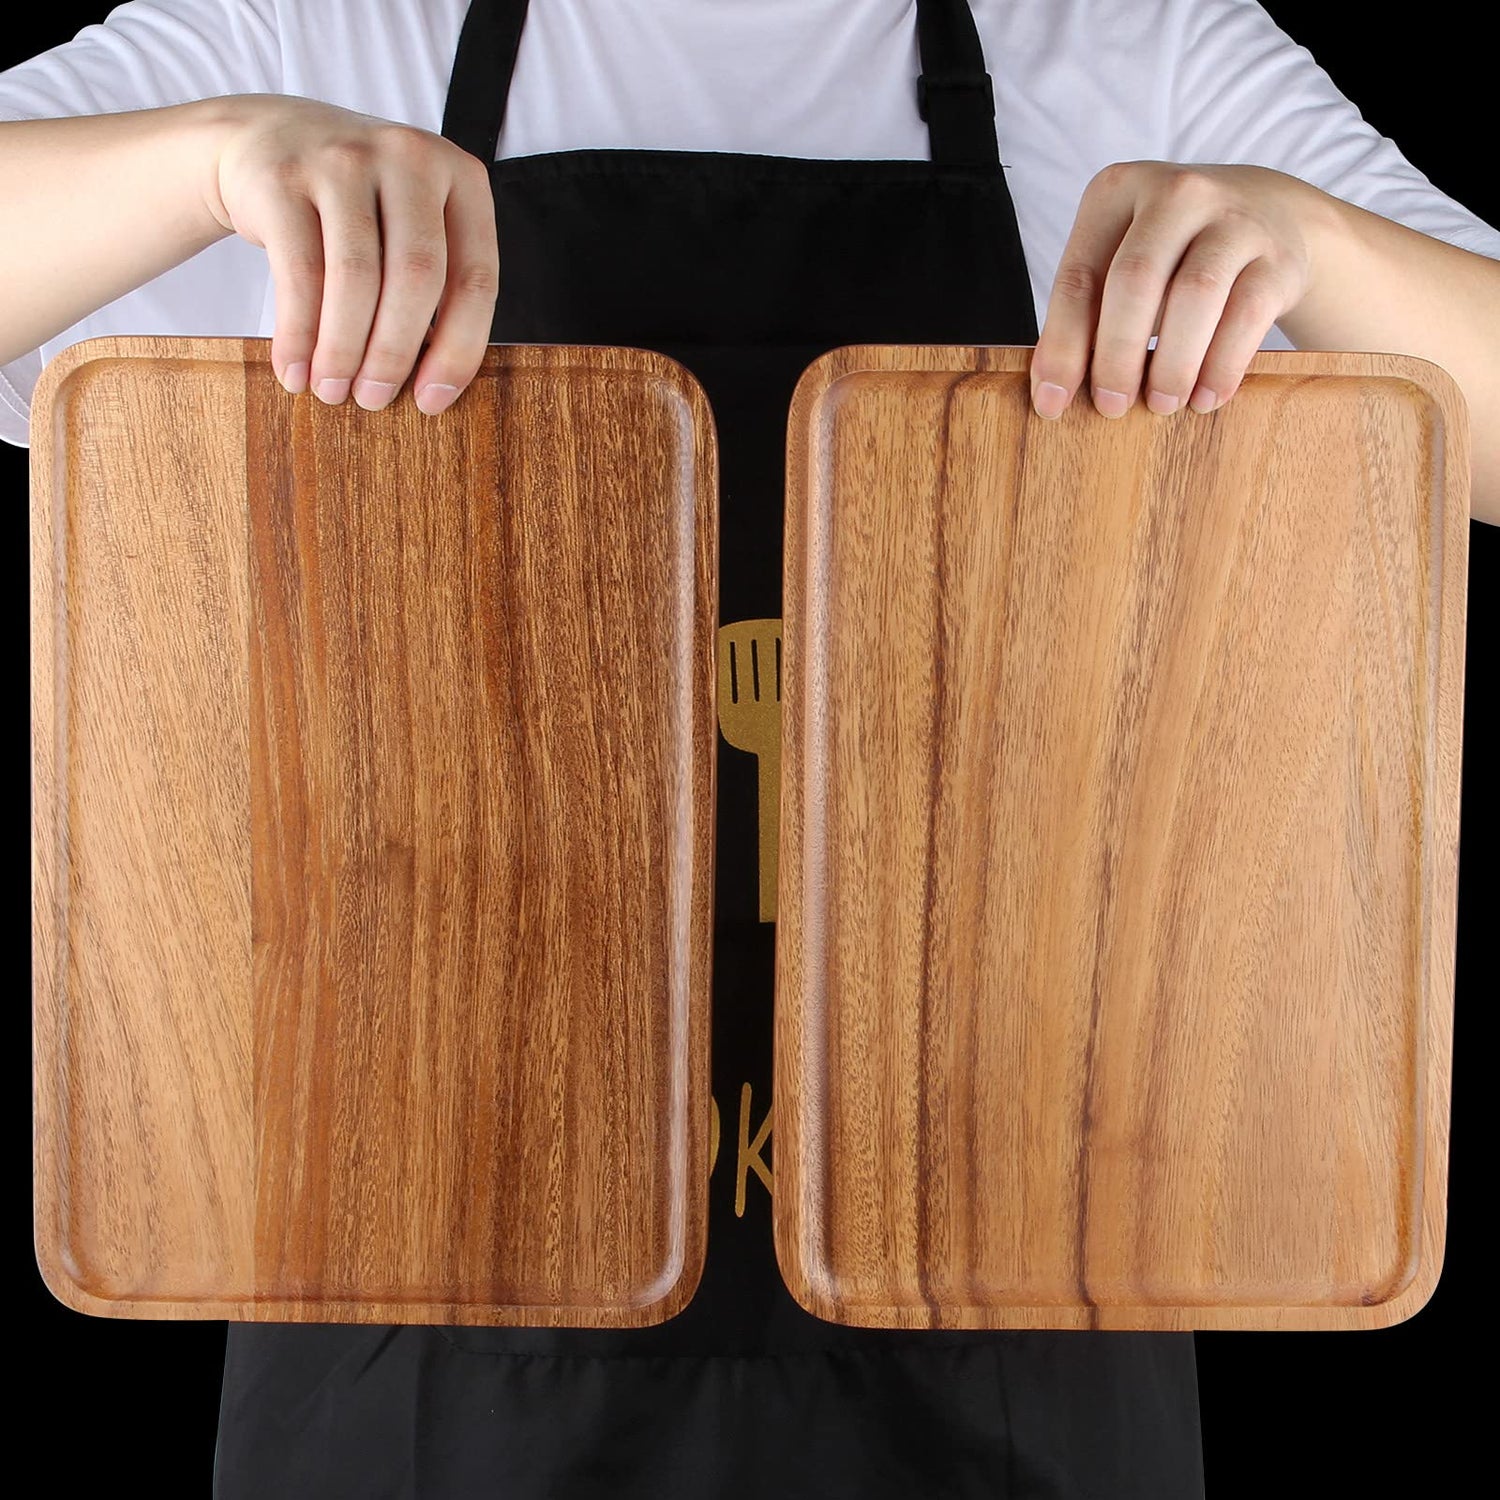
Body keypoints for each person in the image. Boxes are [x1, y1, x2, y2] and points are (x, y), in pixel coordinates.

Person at [5, 3, 1497, 1497]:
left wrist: (1312, 240)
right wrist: (205, 158)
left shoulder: (1136, 50)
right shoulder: (313, 32)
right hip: (413, 1326)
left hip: (1017, 1309)